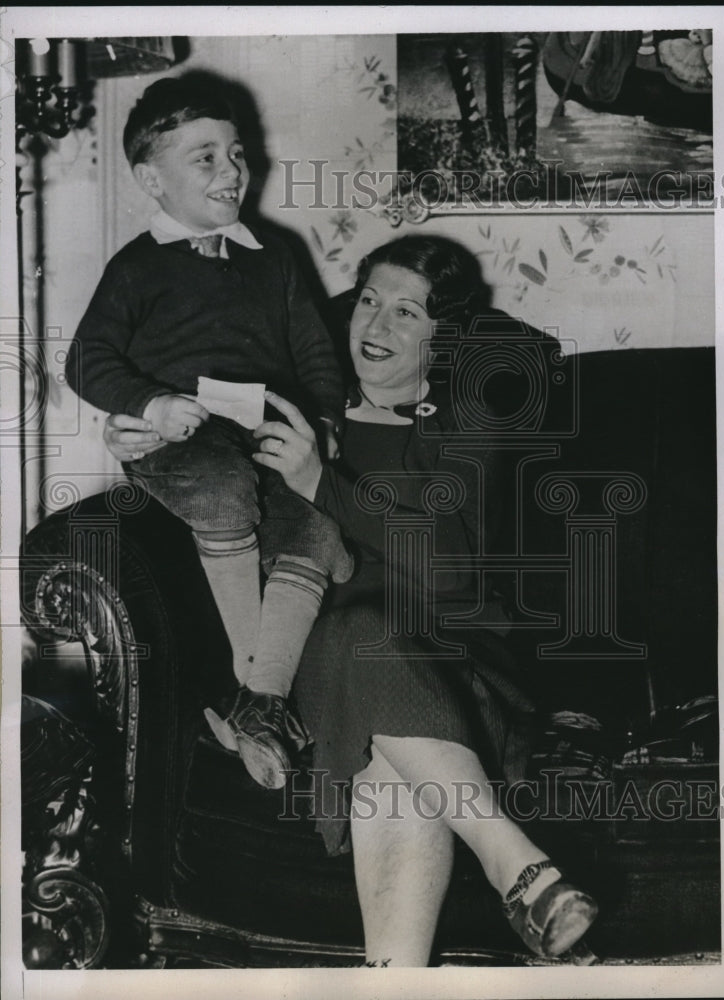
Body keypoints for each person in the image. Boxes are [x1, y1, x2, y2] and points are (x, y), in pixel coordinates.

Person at [103, 234, 598, 967]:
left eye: (406, 312)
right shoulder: (290, 408)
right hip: (326, 674)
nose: (376, 325)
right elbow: (188, 429)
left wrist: (320, 487)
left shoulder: (467, 426)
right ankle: (520, 871)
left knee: (366, 662)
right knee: (354, 639)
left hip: (456, 670)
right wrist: (136, 426)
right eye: (368, 301)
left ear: (443, 337)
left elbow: (451, 570)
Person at [66, 77, 353, 791]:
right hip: (182, 438)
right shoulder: (137, 267)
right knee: (224, 490)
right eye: (204, 158)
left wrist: (320, 424)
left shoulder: (274, 256)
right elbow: (87, 358)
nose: (231, 172)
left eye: (236, 153)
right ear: (150, 180)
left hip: (265, 436)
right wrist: (152, 405)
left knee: (316, 532)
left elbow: (316, 354)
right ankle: (253, 681)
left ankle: (260, 707)